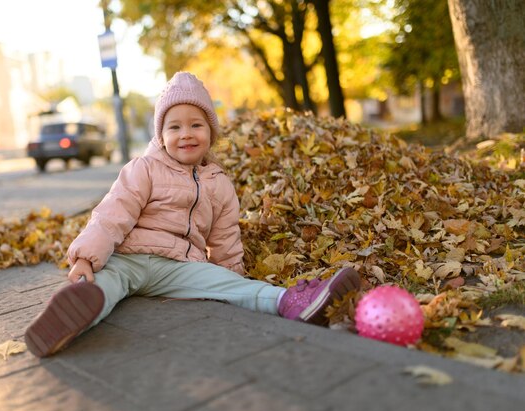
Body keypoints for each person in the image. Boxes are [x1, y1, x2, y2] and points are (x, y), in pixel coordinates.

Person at [24, 72, 361, 358]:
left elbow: (225, 238)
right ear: (161, 135)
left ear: (211, 132)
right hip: (128, 258)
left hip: (180, 267)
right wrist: (86, 258)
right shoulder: (144, 169)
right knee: (105, 284)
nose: (185, 134)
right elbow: (112, 214)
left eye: (196, 125)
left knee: (232, 285)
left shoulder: (219, 183)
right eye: (174, 127)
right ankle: (74, 312)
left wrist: (230, 277)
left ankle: (292, 301)